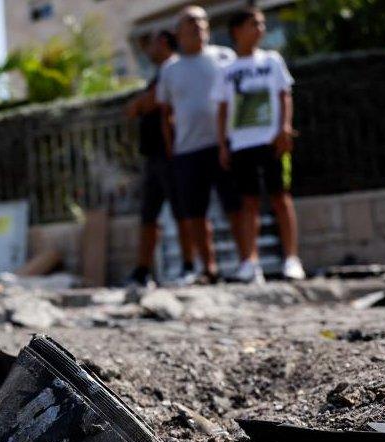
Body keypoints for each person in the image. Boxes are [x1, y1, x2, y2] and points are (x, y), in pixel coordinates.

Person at [213, 7, 305, 282]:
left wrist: (284, 127)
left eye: (263, 24)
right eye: (254, 23)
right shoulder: (226, 70)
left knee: (280, 197)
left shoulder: (272, 61)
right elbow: (222, 109)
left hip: (271, 140)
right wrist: (222, 144)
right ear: (237, 30)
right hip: (241, 144)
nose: (261, 29)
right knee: (247, 203)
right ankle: (250, 262)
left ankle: (291, 258)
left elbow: (284, 95)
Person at [156, 5, 246, 284]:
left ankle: (247, 263)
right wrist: (171, 147)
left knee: (236, 206)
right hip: (188, 150)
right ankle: (208, 268)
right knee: (196, 213)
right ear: (179, 31)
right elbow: (165, 113)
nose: (198, 26)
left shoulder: (225, 57)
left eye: (202, 21)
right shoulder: (170, 69)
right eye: (191, 22)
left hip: (224, 145)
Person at [126, 30, 198, 287]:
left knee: (183, 212)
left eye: (152, 43)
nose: (148, 50)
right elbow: (135, 108)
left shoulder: (175, 70)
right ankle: (142, 271)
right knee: (149, 215)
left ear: (164, 43)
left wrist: (146, 103)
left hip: (173, 154)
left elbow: (153, 103)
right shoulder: (159, 75)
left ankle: (190, 265)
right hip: (154, 156)